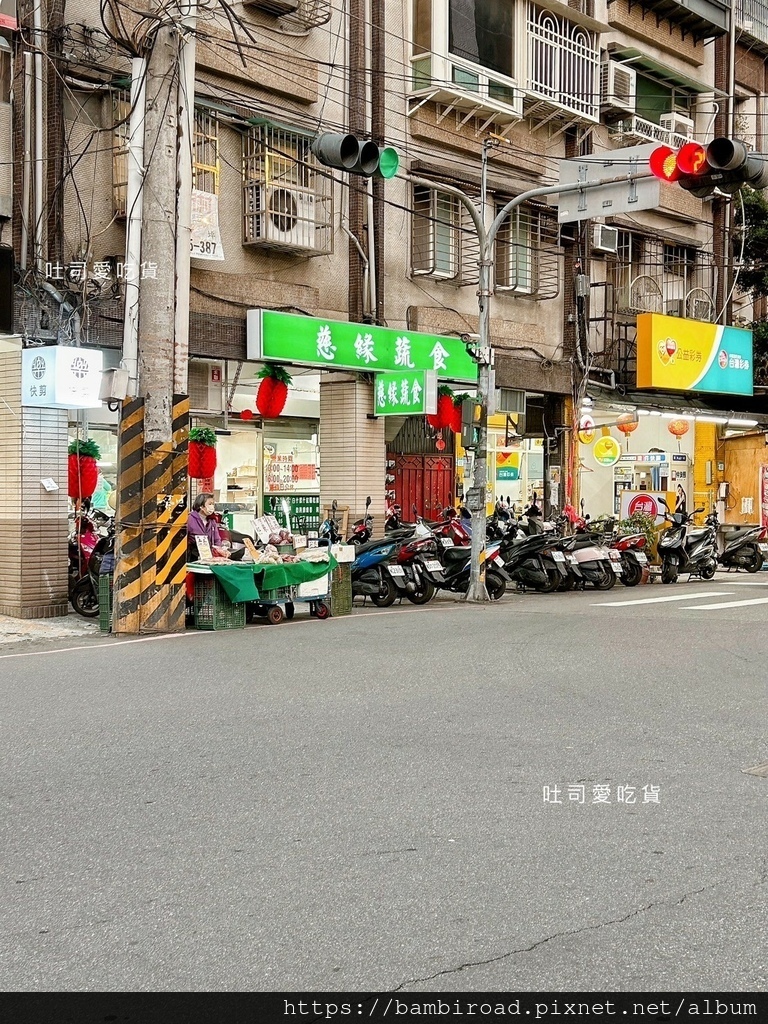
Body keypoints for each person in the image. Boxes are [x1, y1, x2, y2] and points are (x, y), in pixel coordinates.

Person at [187, 492, 226, 558]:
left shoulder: (212, 521)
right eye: (210, 504)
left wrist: (219, 550)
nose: (212, 507)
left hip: (209, 556)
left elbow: (217, 539)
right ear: (201, 506)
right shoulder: (190, 519)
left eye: (213, 504)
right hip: (192, 557)